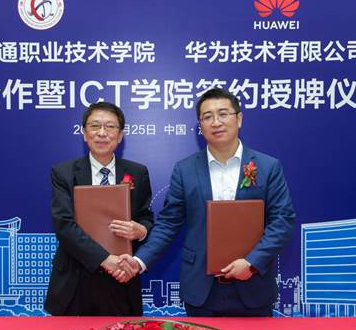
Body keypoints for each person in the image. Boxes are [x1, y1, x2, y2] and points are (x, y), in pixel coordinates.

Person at [120, 88, 295, 317]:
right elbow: (168, 223)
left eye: (223, 114)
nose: (216, 122)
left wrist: (252, 263)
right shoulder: (185, 169)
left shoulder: (267, 167)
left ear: (239, 119)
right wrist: (139, 260)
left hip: (253, 286)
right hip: (201, 289)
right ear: (200, 126)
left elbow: (282, 221)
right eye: (207, 117)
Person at [44, 102, 153, 316]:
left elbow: (146, 216)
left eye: (110, 127)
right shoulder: (64, 172)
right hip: (75, 280)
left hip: (122, 278)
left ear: (120, 135)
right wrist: (105, 259)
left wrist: (142, 230)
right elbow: (64, 225)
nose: (102, 133)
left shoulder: (138, 172)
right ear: (84, 133)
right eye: (95, 126)